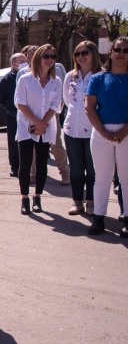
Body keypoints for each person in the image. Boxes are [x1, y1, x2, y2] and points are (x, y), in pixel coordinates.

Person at [85, 36, 128, 237]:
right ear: (110, 52)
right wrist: (103, 132)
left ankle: (127, 218)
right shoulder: (98, 78)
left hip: (126, 133)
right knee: (102, 178)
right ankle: (99, 218)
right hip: (101, 132)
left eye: (126, 50)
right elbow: (89, 107)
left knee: (127, 179)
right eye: (118, 49)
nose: (121, 54)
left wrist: (123, 132)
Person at [15, 44, 63, 215]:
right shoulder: (25, 79)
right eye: (47, 56)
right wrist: (36, 122)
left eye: (53, 56)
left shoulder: (56, 82)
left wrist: (43, 124)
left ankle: (37, 198)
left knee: (42, 164)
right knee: (26, 164)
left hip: (46, 127)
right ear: (39, 58)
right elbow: (20, 103)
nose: (50, 59)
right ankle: (24, 199)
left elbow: (56, 105)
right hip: (26, 127)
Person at [63, 41, 100, 216]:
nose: (81, 57)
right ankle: (77, 202)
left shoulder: (101, 76)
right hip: (72, 130)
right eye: (77, 53)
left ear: (93, 54)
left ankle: (91, 201)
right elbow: (67, 100)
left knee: (93, 169)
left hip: (95, 131)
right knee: (76, 168)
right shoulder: (71, 76)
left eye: (84, 53)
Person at [0, 53, 29, 178]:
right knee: (14, 142)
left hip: (28, 115)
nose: (24, 63)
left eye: (25, 60)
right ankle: (15, 168)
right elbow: (0, 97)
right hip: (13, 115)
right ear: (14, 64)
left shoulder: (30, 75)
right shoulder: (7, 78)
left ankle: (28, 167)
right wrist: (10, 106)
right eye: (21, 61)